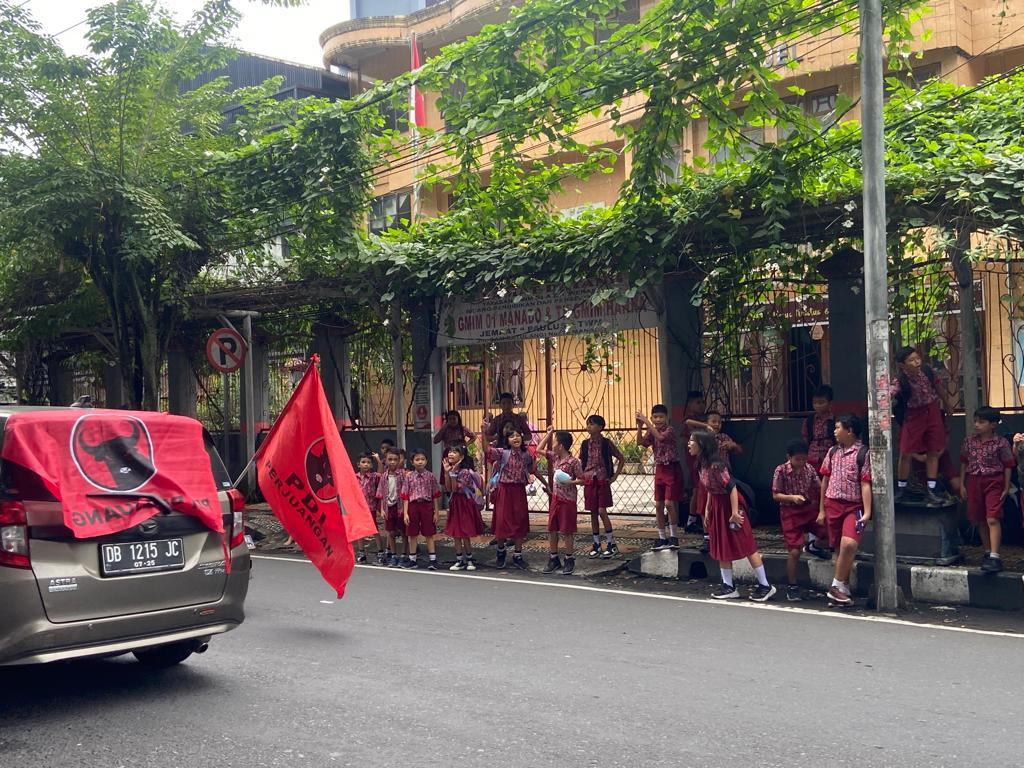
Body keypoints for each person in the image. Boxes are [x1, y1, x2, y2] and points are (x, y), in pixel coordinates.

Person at [688, 430, 776, 602]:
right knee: (721, 544)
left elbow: (732, 488)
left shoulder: (716, 465)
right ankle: (729, 586)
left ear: (702, 444)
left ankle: (765, 585)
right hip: (717, 505)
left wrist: (735, 513)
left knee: (747, 543)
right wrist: (707, 509)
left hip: (730, 504)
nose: (689, 444)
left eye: (692, 441)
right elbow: (710, 490)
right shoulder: (700, 464)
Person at [817, 413, 872, 606]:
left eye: (838, 427)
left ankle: (835, 585)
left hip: (853, 506)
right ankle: (843, 588)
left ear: (849, 431)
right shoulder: (832, 452)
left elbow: (865, 483)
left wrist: (867, 512)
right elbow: (825, 480)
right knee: (837, 549)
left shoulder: (863, 453)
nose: (834, 431)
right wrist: (821, 510)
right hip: (833, 504)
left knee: (849, 544)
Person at [892, 346, 953, 505]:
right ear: (902, 365)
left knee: (933, 450)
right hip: (913, 415)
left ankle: (931, 489)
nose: (916, 362)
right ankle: (902, 488)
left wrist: (946, 403)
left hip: (932, 410)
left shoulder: (927, 370)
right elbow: (891, 392)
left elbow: (938, 387)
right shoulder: (900, 380)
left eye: (917, 358)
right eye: (911, 360)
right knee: (905, 451)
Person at [772, 439, 830, 601]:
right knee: (795, 550)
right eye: (798, 459)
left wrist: (820, 508)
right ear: (789, 457)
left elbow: (819, 488)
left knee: (829, 535)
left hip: (807, 508)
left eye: (804, 459)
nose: (801, 462)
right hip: (789, 511)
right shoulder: (781, 470)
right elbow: (775, 495)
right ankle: (792, 585)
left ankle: (814, 546)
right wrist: (791, 498)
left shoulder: (809, 469)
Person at [959, 406, 1014, 574]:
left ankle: (996, 556)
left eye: (981, 422)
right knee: (980, 518)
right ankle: (987, 552)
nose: (977, 425)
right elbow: (964, 462)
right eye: (976, 421)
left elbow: (1008, 465)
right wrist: (962, 484)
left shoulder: (1001, 443)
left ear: (992, 425)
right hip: (974, 480)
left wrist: (1006, 485)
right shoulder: (969, 441)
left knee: (992, 517)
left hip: (994, 480)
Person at [482, 424, 535, 569]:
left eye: (518, 435)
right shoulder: (502, 453)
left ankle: (518, 555)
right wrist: (483, 432)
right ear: (507, 440)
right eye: (512, 436)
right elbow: (486, 450)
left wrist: (530, 477)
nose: (515, 438)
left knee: (520, 522)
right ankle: (501, 553)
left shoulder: (526, 455)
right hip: (504, 490)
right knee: (502, 522)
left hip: (519, 491)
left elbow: (531, 467)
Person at [539, 427, 585, 575]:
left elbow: (582, 480)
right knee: (552, 529)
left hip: (568, 500)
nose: (552, 446)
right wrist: (549, 434)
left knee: (567, 531)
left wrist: (569, 482)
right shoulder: (555, 458)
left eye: (554, 442)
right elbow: (539, 449)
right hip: (556, 499)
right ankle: (553, 558)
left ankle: (569, 558)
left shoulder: (573, 462)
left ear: (561, 446)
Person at [637, 405, 683, 551]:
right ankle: (662, 537)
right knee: (658, 505)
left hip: (671, 468)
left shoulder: (669, 430)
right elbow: (641, 443)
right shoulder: (652, 431)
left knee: (669, 503)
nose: (658, 420)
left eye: (661, 417)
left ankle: (673, 537)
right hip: (660, 468)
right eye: (655, 417)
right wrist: (640, 427)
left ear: (666, 418)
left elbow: (660, 438)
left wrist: (646, 421)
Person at [579, 414, 624, 558]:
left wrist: (615, 475)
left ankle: (611, 543)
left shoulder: (606, 443)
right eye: (588, 424)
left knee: (602, 511)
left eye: (592, 424)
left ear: (600, 427)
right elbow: (582, 462)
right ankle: (596, 543)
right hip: (589, 480)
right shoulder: (585, 444)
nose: (589, 427)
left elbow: (621, 458)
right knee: (593, 512)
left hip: (602, 479)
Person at [442, 445, 485, 571]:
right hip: (455, 503)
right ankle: (459, 559)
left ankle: (469, 559)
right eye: (450, 451)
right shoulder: (450, 470)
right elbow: (449, 489)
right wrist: (447, 473)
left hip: (465, 503)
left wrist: (453, 474)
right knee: (456, 533)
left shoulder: (465, 471)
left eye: (455, 452)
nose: (451, 454)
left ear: (461, 457)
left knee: (465, 532)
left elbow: (457, 488)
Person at [400, 449, 443, 570]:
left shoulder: (430, 476)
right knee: (412, 533)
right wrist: (405, 514)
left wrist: (436, 512)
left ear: (426, 461)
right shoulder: (409, 477)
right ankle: (412, 559)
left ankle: (433, 559)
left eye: (422, 459)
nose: (420, 462)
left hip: (427, 505)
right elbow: (405, 496)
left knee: (429, 533)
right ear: (412, 462)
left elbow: (435, 495)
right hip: (413, 506)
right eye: (417, 459)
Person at [376, 449, 408, 567]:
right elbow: (380, 494)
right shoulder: (384, 476)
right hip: (389, 507)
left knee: (404, 532)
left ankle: (404, 555)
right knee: (390, 532)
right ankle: (393, 555)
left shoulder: (403, 475)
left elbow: (406, 493)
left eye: (395, 459)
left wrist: (405, 511)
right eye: (390, 459)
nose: (393, 462)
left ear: (400, 461)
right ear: (385, 461)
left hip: (400, 507)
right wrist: (382, 509)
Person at [680, 391, 707, 532]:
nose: (702, 405)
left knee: (700, 489)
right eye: (698, 402)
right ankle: (691, 520)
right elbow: (687, 423)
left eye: (703, 402)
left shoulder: (702, 418)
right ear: (690, 404)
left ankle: (696, 519)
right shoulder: (691, 419)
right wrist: (706, 426)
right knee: (697, 489)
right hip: (694, 460)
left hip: (702, 460)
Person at [355, 452, 385, 566]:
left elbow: (381, 473)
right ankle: (362, 553)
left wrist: (378, 460)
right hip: (359, 508)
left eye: (368, 462)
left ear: (371, 465)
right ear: (358, 464)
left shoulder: (373, 476)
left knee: (374, 530)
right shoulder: (355, 477)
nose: (366, 464)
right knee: (359, 531)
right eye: (363, 462)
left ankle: (380, 552)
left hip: (370, 507)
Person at [801, 385, 836, 472]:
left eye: (821, 403)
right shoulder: (809, 421)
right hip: (811, 461)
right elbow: (805, 438)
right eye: (815, 403)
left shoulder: (835, 421)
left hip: (830, 460)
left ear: (830, 403)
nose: (817, 406)